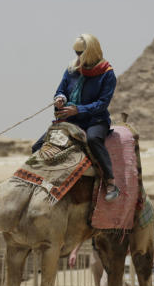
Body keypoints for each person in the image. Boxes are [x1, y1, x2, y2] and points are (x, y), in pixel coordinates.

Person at [33, 33, 119, 201]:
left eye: (81, 53)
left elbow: (102, 104)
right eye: (76, 53)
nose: (78, 57)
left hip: (94, 119)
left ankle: (110, 181)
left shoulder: (107, 74)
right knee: (38, 146)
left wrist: (78, 110)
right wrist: (60, 99)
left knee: (94, 140)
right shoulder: (72, 69)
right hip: (70, 119)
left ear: (91, 51)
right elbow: (61, 90)